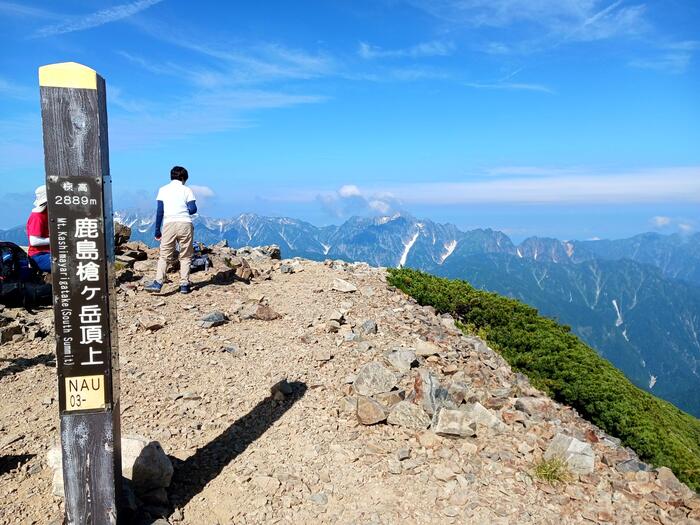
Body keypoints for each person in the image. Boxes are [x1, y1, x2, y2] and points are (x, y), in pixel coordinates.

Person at [145, 166, 197, 294]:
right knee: (185, 255)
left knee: (164, 255)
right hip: (185, 223)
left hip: (169, 224)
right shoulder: (187, 190)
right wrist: (184, 209)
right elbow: (193, 209)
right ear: (183, 178)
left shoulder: (163, 190)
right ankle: (184, 285)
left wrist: (157, 230)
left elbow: (159, 212)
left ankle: (158, 283)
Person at [26, 185, 51, 273]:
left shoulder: (48, 214)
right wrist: (55, 239)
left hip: (48, 253)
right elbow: (34, 241)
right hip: (38, 255)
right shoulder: (38, 216)